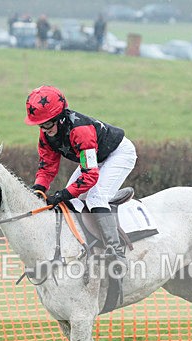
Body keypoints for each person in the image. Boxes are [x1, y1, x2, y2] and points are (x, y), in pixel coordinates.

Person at [24, 85, 137, 272]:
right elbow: (47, 167)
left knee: (95, 198)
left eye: (47, 124)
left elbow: (90, 176)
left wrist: (63, 194)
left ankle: (116, 253)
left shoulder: (80, 130)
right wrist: (38, 188)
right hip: (96, 158)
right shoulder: (46, 134)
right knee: (71, 203)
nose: (44, 129)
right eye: (40, 125)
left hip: (118, 154)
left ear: (60, 117)